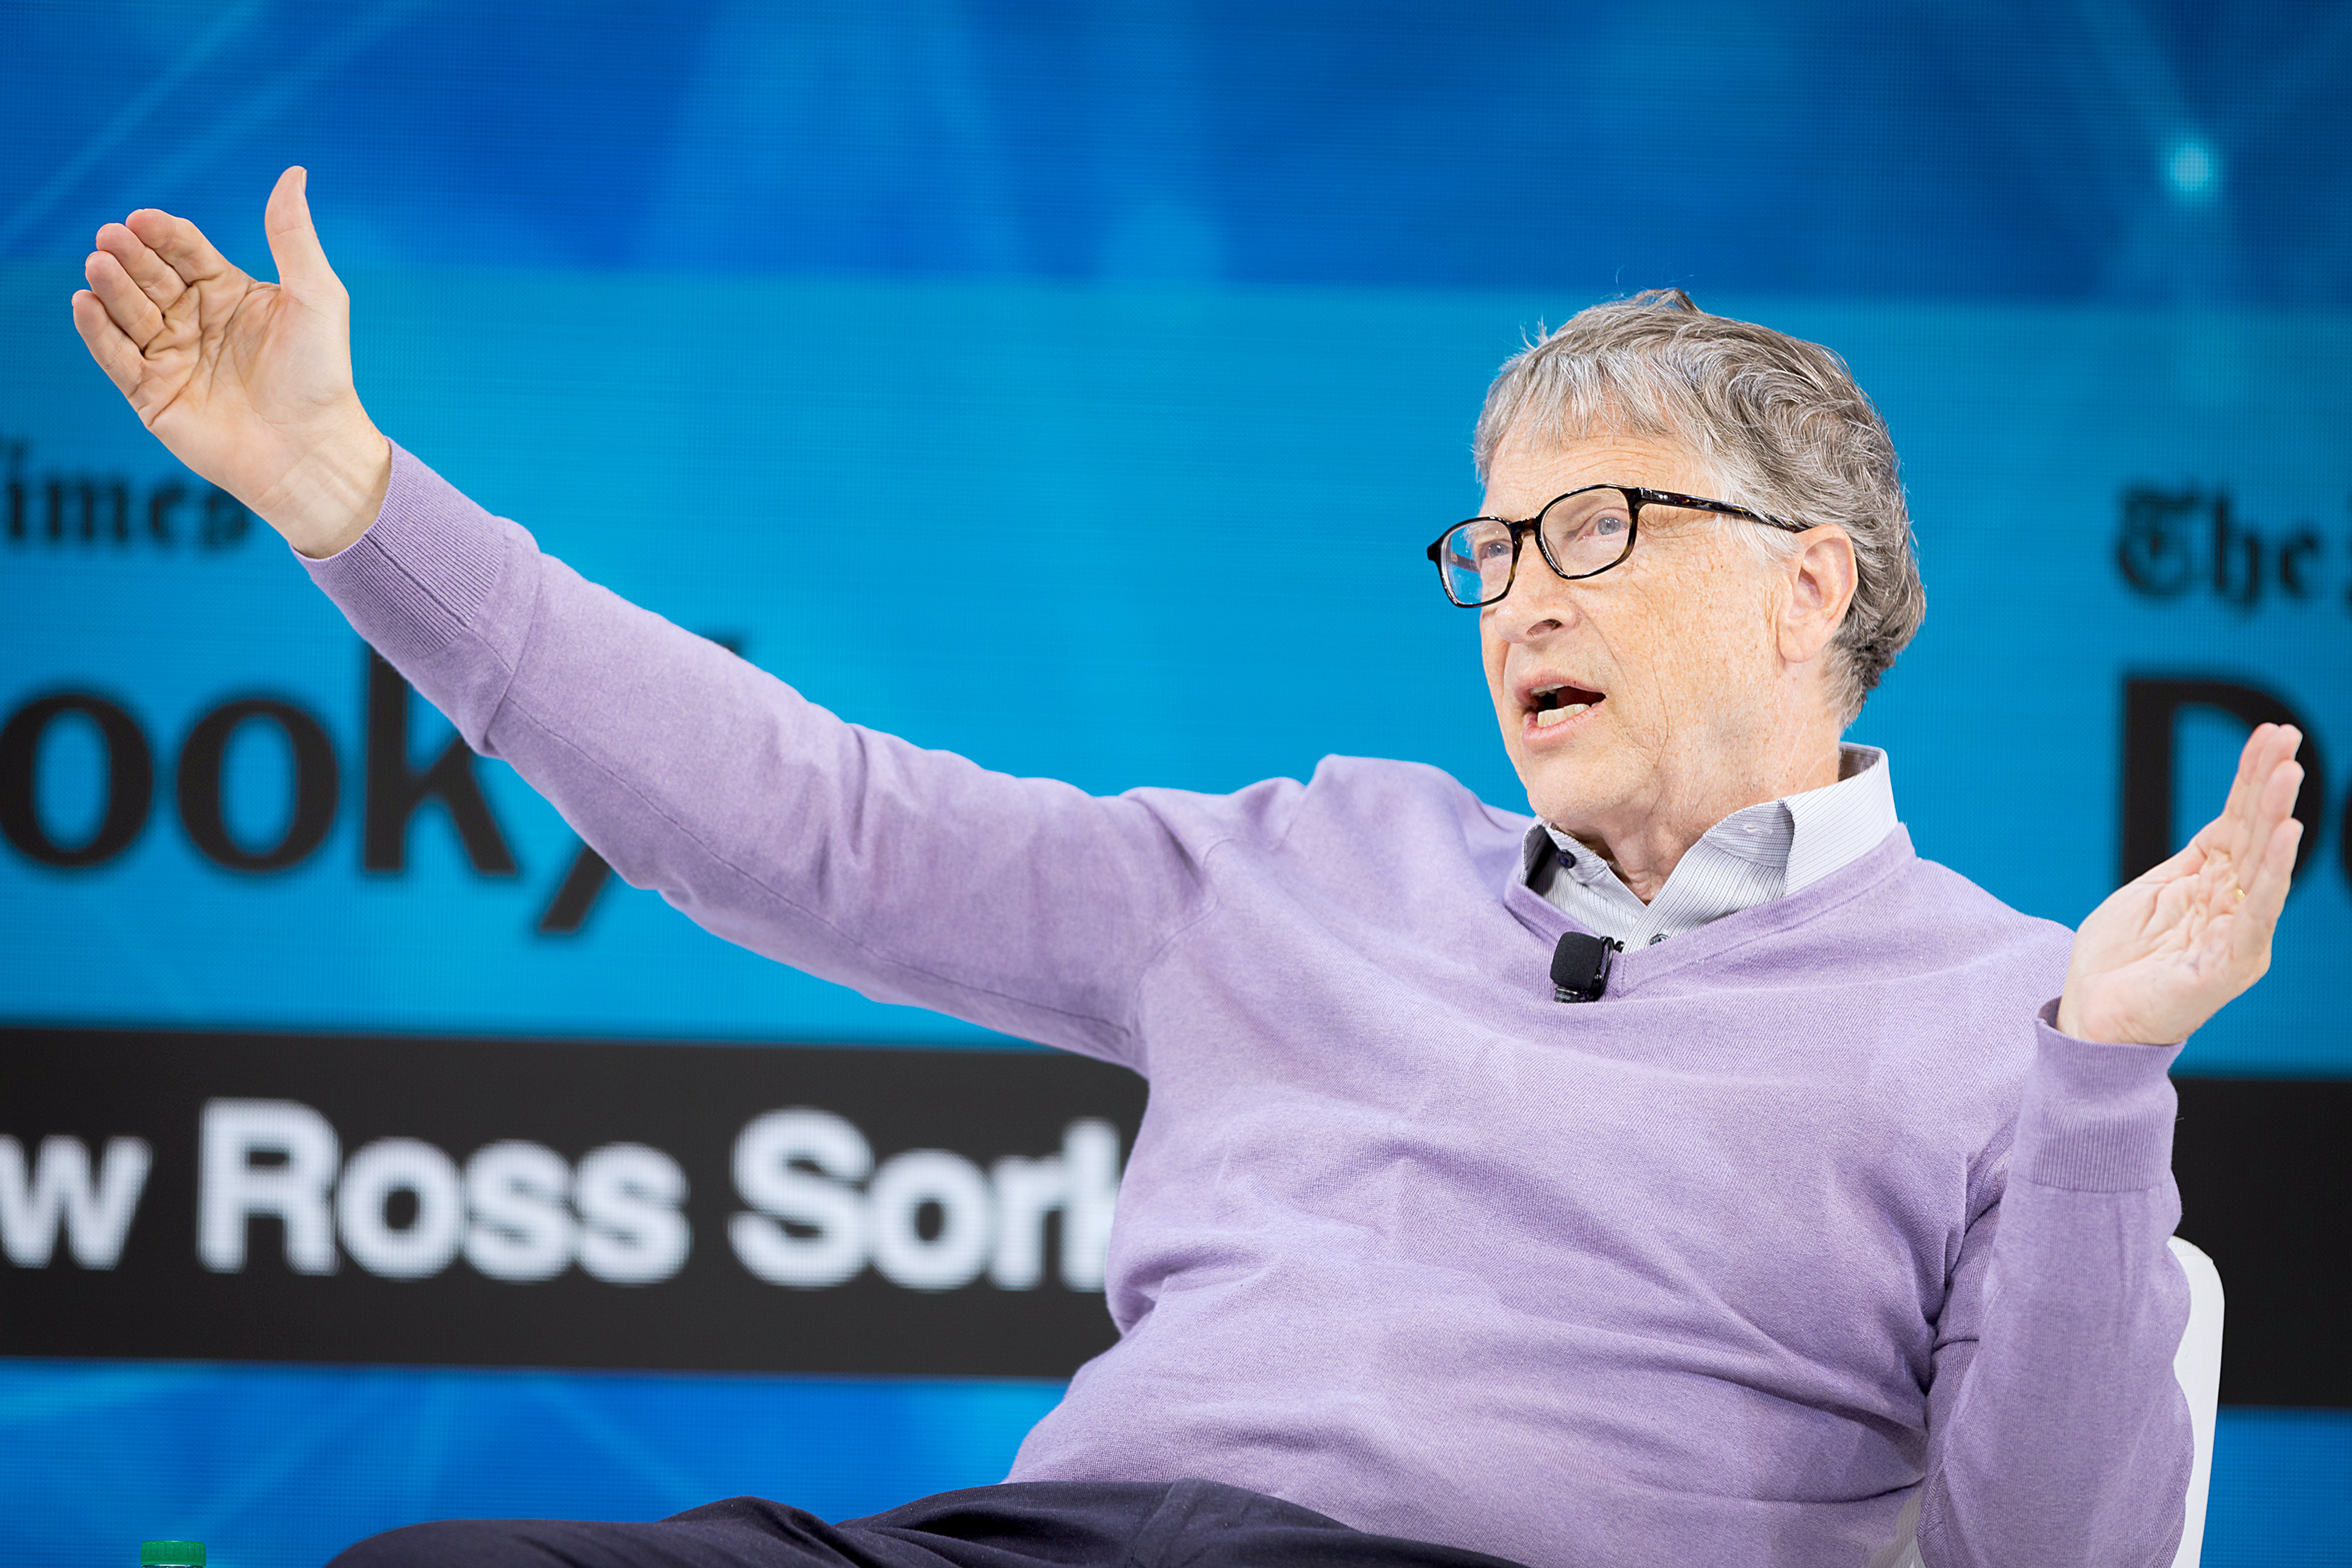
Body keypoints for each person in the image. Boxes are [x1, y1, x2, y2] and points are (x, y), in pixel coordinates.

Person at [71, 168, 2304, 1568]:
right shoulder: (1309, 862)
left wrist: (2110, 1079)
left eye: (1598, 530)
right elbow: (799, 820)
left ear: (1813, 590)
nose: (1524, 595)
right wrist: (352, 497)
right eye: (1496, 544)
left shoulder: (2015, 1020)